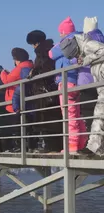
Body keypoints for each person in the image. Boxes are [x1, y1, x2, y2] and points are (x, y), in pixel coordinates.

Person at [60, 33, 104, 155]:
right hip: (101, 85)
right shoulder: (86, 48)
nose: (77, 56)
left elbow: (102, 50)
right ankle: (95, 147)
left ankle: (94, 148)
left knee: (99, 114)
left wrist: (86, 60)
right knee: (99, 115)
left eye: (75, 54)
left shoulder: (88, 45)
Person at [49, 16, 87, 153]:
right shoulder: (80, 39)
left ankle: (72, 147)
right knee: (77, 114)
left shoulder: (67, 42)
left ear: (64, 32)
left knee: (69, 114)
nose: (60, 35)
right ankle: (82, 143)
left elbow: (51, 53)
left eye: (61, 32)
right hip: (76, 81)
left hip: (66, 82)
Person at [26, 30, 63, 153]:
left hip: (45, 90)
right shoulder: (48, 49)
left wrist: (35, 73)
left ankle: (52, 147)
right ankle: (53, 145)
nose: (32, 47)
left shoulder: (43, 52)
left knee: (47, 119)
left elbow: (46, 68)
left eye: (32, 44)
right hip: (47, 90)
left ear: (36, 43)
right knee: (50, 119)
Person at [0, 48, 36, 152]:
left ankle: (20, 147)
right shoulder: (29, 66)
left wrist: (3, 73)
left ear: (17, 59)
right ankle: (29, 146)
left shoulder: (21, 67)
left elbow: (7, 80)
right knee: (27, 126)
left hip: (15, 103)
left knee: (17, 127)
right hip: (26, 102)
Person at [79, 17, 104, 134]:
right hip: (99, 79)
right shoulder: (101, 38)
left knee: (89, 112)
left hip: (88, 81)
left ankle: (93, 144)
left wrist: (83, 60)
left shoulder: (88, 41)